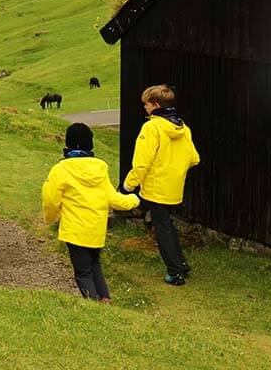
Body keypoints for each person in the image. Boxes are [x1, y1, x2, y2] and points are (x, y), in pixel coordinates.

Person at [43, 122, 140, 301]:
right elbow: (113, 198)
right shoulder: (100, 168)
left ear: (68, 143)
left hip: (74, 230)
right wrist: (134, 199)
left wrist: (50, 218)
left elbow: (50, 199)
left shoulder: (61, 169)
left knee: (82, 272)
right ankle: (105, 299)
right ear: (90, 144)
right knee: (95, 265)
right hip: (96, 228)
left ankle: (94, 304)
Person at [123, 83, 200, 285]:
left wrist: (128, 186)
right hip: (174, 186)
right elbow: (194, 158)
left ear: (156, 105)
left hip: (156, 187)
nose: (144, 108)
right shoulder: (183, 127)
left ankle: (175, 272)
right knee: (167, 224)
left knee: (162, 227)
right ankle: (181, 263)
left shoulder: (151, 128)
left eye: (146, 104)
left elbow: (141, 162)